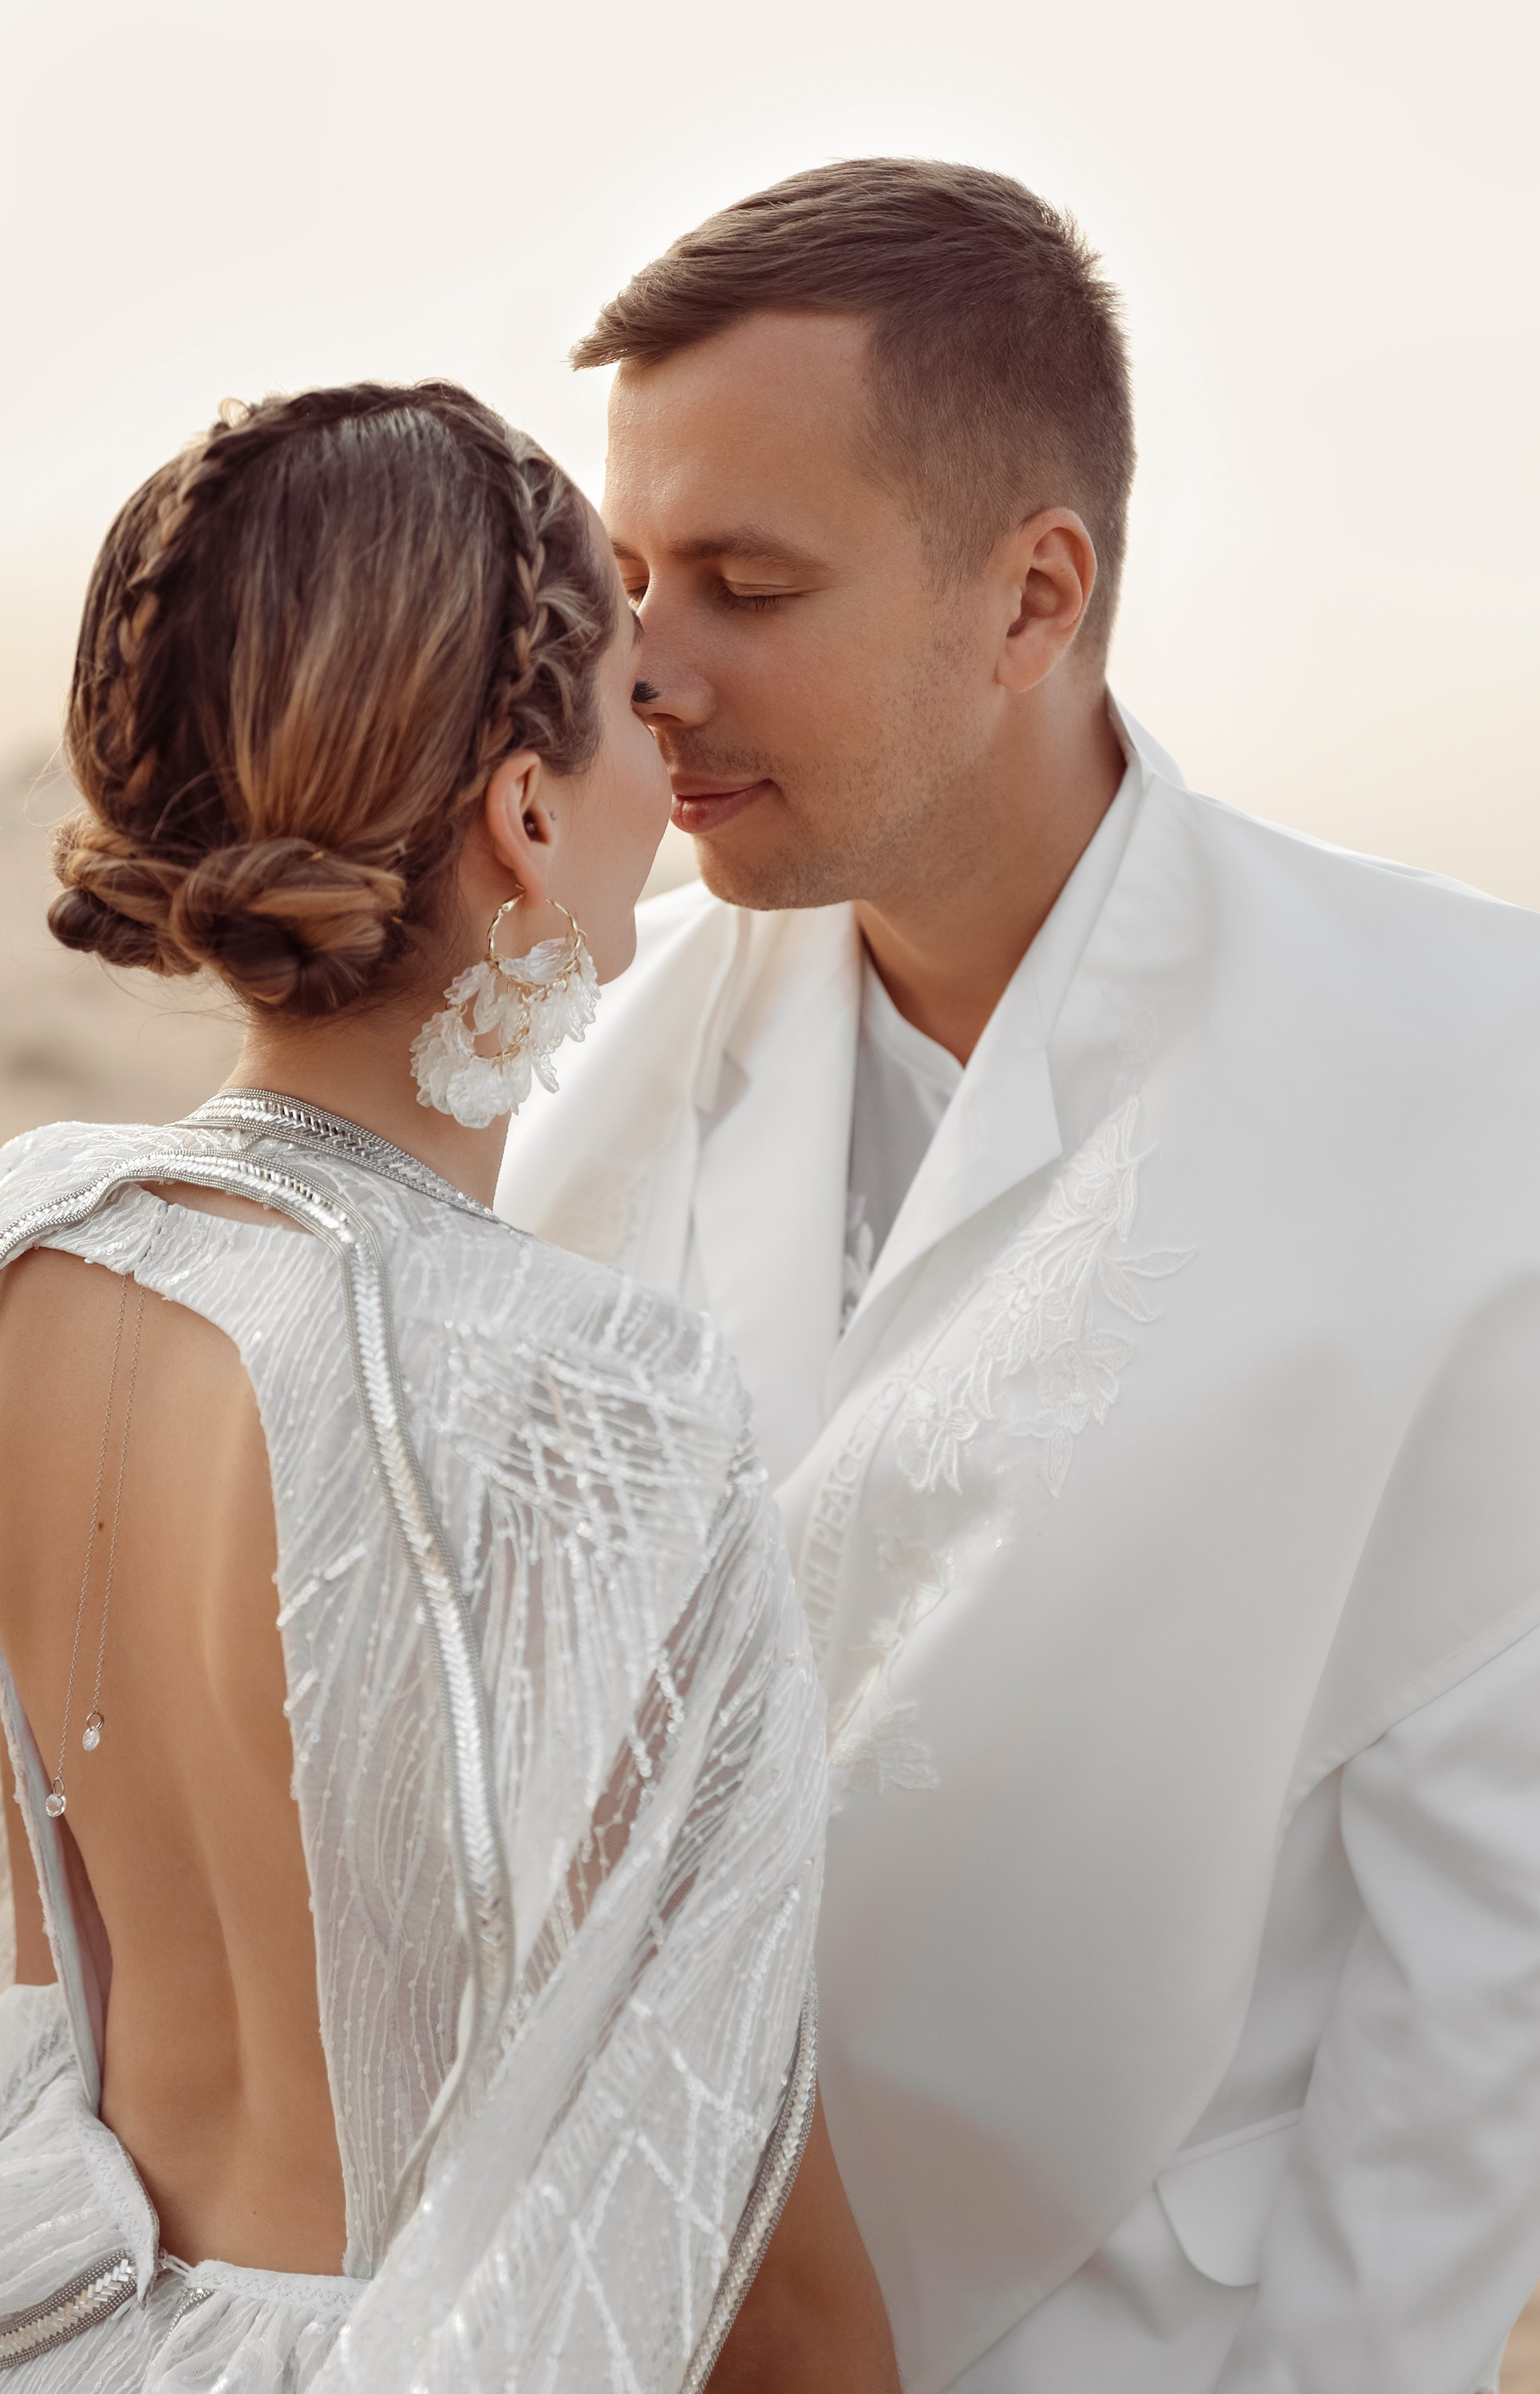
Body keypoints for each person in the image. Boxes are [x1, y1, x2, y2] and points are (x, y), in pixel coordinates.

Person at [497, 159, 1540, 2394]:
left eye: (745, 581)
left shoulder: (1470, 1058)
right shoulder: (588, 1061)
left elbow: (1496, 1939)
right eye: (627, 581)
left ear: (1033, 593)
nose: (649, 671)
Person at [0, 381, 897, 2392]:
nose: (664, 768)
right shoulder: (595, 1396)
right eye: (623, 720)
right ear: (520, 814)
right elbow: (742, 2215)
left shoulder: (17, 1254)